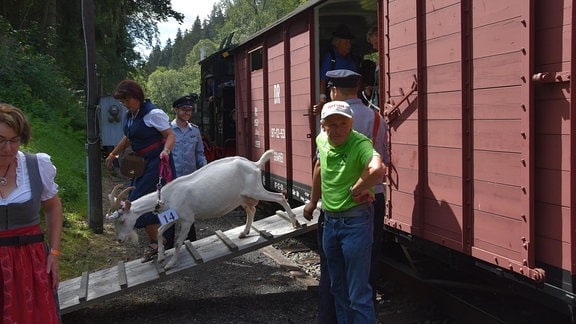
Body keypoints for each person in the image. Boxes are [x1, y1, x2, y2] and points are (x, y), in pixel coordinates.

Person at [304, 101, 386, 323]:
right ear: (323, 126)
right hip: (330, 223)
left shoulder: (360, 144)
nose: (337, 128)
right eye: (332, 124)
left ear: (351, 125)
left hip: (355, 222)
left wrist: (358, 187)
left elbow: (378, 169)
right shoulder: (322, 140)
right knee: (338, 288)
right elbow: (319, 167)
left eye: (343, 123)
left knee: (358, 293)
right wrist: (312, 202)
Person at [0, 103, 63, 323]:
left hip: (31, 261)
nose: (7, 148)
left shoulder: (37, 165)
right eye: (1, 140)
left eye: (14, 140)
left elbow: (53, 206)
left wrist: (54, 254)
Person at [105, 79, 177, 262]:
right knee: (148, 202)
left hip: (158, 163)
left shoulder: (153, 114)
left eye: (127, 100)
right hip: (142, 165)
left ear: (137, 96)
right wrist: (113, 154)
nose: (124, 104)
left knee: (139, 203)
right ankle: (162, 240)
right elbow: (128, 138)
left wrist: (166, 151)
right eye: (122, 101)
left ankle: (159, 241)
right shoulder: (131, 115)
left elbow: (170, 135)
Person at [170, 94, 208, 241]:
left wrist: (205, 168)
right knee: (169, 212)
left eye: (190, 110)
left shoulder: (195, 131)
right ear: (176, 109)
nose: (187, 113)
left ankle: (191, 242)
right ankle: (168, 242)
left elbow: (199, 153)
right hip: (172, 180)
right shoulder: (168, 131)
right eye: (184, 109)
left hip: (189, 181)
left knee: (188, 212)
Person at [315, 24, 359, 114]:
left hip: (352, 100)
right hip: (335, 100)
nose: (349, 45)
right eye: (346, 42)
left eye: (349, 42)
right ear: (337, 43)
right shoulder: (330, 58)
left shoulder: (352, 59)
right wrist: (322, 101)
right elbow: (323, 81)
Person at [364, 25, 380, 109]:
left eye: (376, 43)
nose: (374, 47)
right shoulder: (379, 59)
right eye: (372, 44)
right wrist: (373, 88)